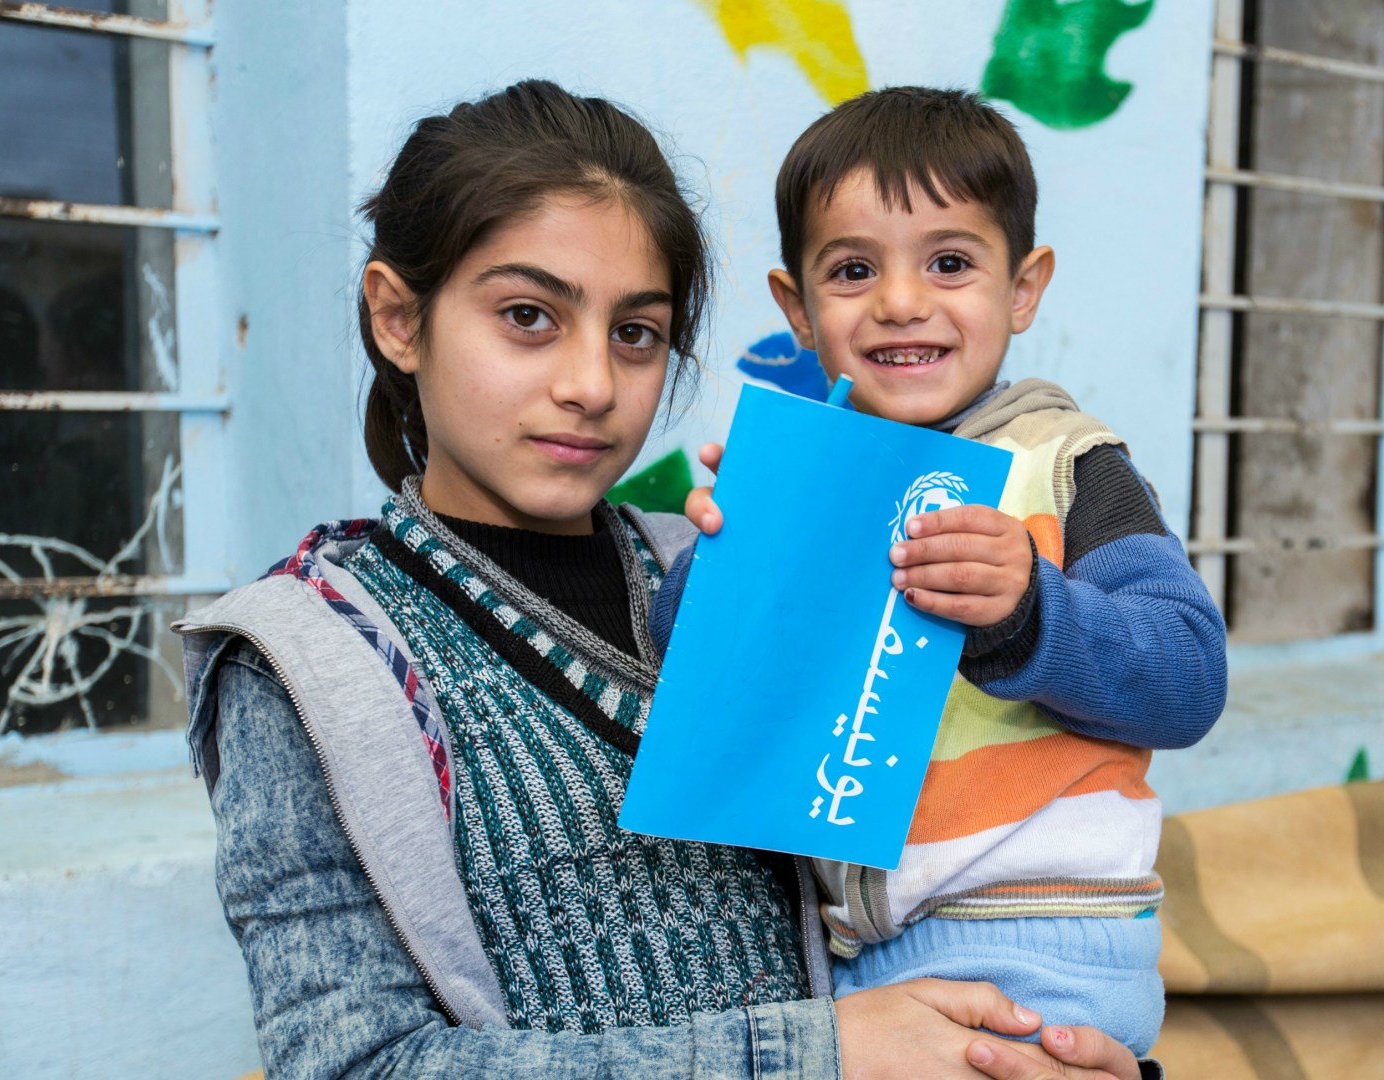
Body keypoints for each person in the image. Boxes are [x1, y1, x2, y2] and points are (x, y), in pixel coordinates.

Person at [175, 79, 1146, 1079]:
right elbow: (357, 1065)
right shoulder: (316, 663)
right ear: (398, 318)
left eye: (635, 333)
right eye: (527, 316)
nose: (591, 385)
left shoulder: (723, 568)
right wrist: (818, 1054)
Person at [672, 87, 1229, 1056]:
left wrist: (1029, 613)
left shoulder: (1067, 464)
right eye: (854, 270)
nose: (900, 302)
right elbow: (707, 690)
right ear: (798, 309)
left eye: (950, 262)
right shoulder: (808, 481)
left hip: (1044, 942)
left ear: (1023, 287)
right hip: (861, 958)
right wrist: (726, 565)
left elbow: (1188, 677)